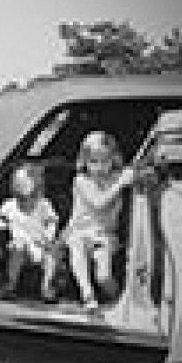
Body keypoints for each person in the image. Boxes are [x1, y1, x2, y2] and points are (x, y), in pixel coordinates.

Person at [63, 131, 135, 315]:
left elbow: (133, 174)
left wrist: (131, 175)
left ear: (114, 159)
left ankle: (117, 298)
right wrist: (121, 183)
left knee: (104, 277)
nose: (100, 167)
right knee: (77, 248)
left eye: (105, 161)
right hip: (80, 231)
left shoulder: (117, 177)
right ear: (84, 162)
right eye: (94, 162)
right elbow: (99, 203)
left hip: (105, 235)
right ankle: (87, 295)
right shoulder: (82, 181)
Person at [0, 163, 60, 302]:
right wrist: (0, 226)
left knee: (51, 255)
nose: (21, 185)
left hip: (39, 245)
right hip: (20, 246)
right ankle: (11, 284)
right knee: (18, 247)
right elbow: (0, 220)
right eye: (18, 182)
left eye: (26, 181)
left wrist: (48, 237)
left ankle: (47, 287)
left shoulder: (43, 204)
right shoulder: (9, 205)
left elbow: (52, 221)